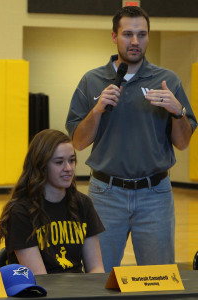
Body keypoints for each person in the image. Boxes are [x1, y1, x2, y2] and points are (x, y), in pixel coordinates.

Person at [65, 6, 197, 272]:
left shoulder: (166, 80)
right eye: (127, 34)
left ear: (148, 36)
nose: (135, 41)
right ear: (114, 36)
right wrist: (98, 109)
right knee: (98, 277)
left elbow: (183, 143)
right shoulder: (92, 80)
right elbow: (78, 142)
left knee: (158, 277)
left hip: (155, 195)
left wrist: (178, 111)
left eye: (142, 34)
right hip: (105, 194)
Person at [0, 129, 105, 274]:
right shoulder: (20, 212)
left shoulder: (83, 204)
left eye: (71, 160)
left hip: (78, 291)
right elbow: (40, 278)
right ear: (41, 166)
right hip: (42, 292)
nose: (68, 168)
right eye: (59, 162)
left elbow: (96, 268)